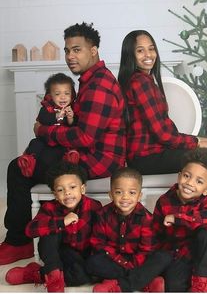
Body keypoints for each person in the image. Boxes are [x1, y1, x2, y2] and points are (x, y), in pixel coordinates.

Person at [0, 22, 126, 265]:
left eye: (77, 49)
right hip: (84, 153)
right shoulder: (89, 80)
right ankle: (36, 229)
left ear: (93, 50)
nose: (70, 56)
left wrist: (43, 131)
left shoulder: (99, 84)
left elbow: (85, 138)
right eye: (67, 50)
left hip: (98, 159)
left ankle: (19, 242)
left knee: (17, 169)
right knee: (30, 161)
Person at [117, 29, 207, 248]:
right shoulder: (139, 83)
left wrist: (203, 140)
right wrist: (200, 143)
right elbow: (164, 136)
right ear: (130, 56)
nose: (148, 55)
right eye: (140, 50)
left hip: (153, 154)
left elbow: (166, 130)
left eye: (151, 48)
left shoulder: (144, 81)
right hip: (148, 158)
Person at [5, 161, 102, 292]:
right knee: (50, 230)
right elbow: (30, 230)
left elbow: (101, 233)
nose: (67, 193)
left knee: (84, 275)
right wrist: (62, 221)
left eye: (72, 187)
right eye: (61, 190)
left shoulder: (94, 206)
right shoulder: (49, 208)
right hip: (58, 253)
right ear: (55, 194)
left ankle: (38, 274)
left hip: (80, 255)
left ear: (82, 189)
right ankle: (53, 276)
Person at [86, 167, 173, 292]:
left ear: (139, 196)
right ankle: (145, 282)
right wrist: (123, 263)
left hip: (138, 259)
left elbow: (146, 250)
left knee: (163, 257)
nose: (125, 197)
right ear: (111, 194)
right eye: (119, 192)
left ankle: (118, 284)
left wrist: (132, 264)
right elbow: (98, 243)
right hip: (113, 259)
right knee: (92, 263)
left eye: (131, 193)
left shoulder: (146, 218)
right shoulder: (102, 214)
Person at [152, 149, 207, 292]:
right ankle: (206, 263)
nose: (190, 183)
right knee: (175, 286)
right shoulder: (164, 201)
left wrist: (177, 218)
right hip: (176, 253)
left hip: (196, 248)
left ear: (206, 190)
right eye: (186, 176)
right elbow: (155, 233)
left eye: (199, 181)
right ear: (179, 176)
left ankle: (202, 279)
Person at [17, 72, 80, 178]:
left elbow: (73, 126)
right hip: (46, 140)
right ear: (50, 96)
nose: (62, 97)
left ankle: (69, 158)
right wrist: (56, 116)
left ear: (72, 95)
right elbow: (43, 119)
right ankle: (29, 161)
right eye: (57, 94)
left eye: (66, 93)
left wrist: (70, 118)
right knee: (35, 143)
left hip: (61, 141)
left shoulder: (71, 109)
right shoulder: (47, 108)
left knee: (68, 145)